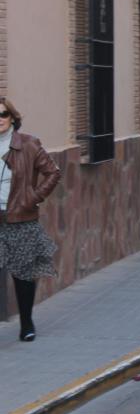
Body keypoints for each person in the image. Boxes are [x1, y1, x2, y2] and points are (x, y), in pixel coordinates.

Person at [0, 97, 60, 342]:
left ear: (12, 117)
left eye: (3, 114)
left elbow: (53, 172)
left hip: (20, 218)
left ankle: (27, 322)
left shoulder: (28, 144)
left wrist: (32, 197)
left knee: (23, 275)